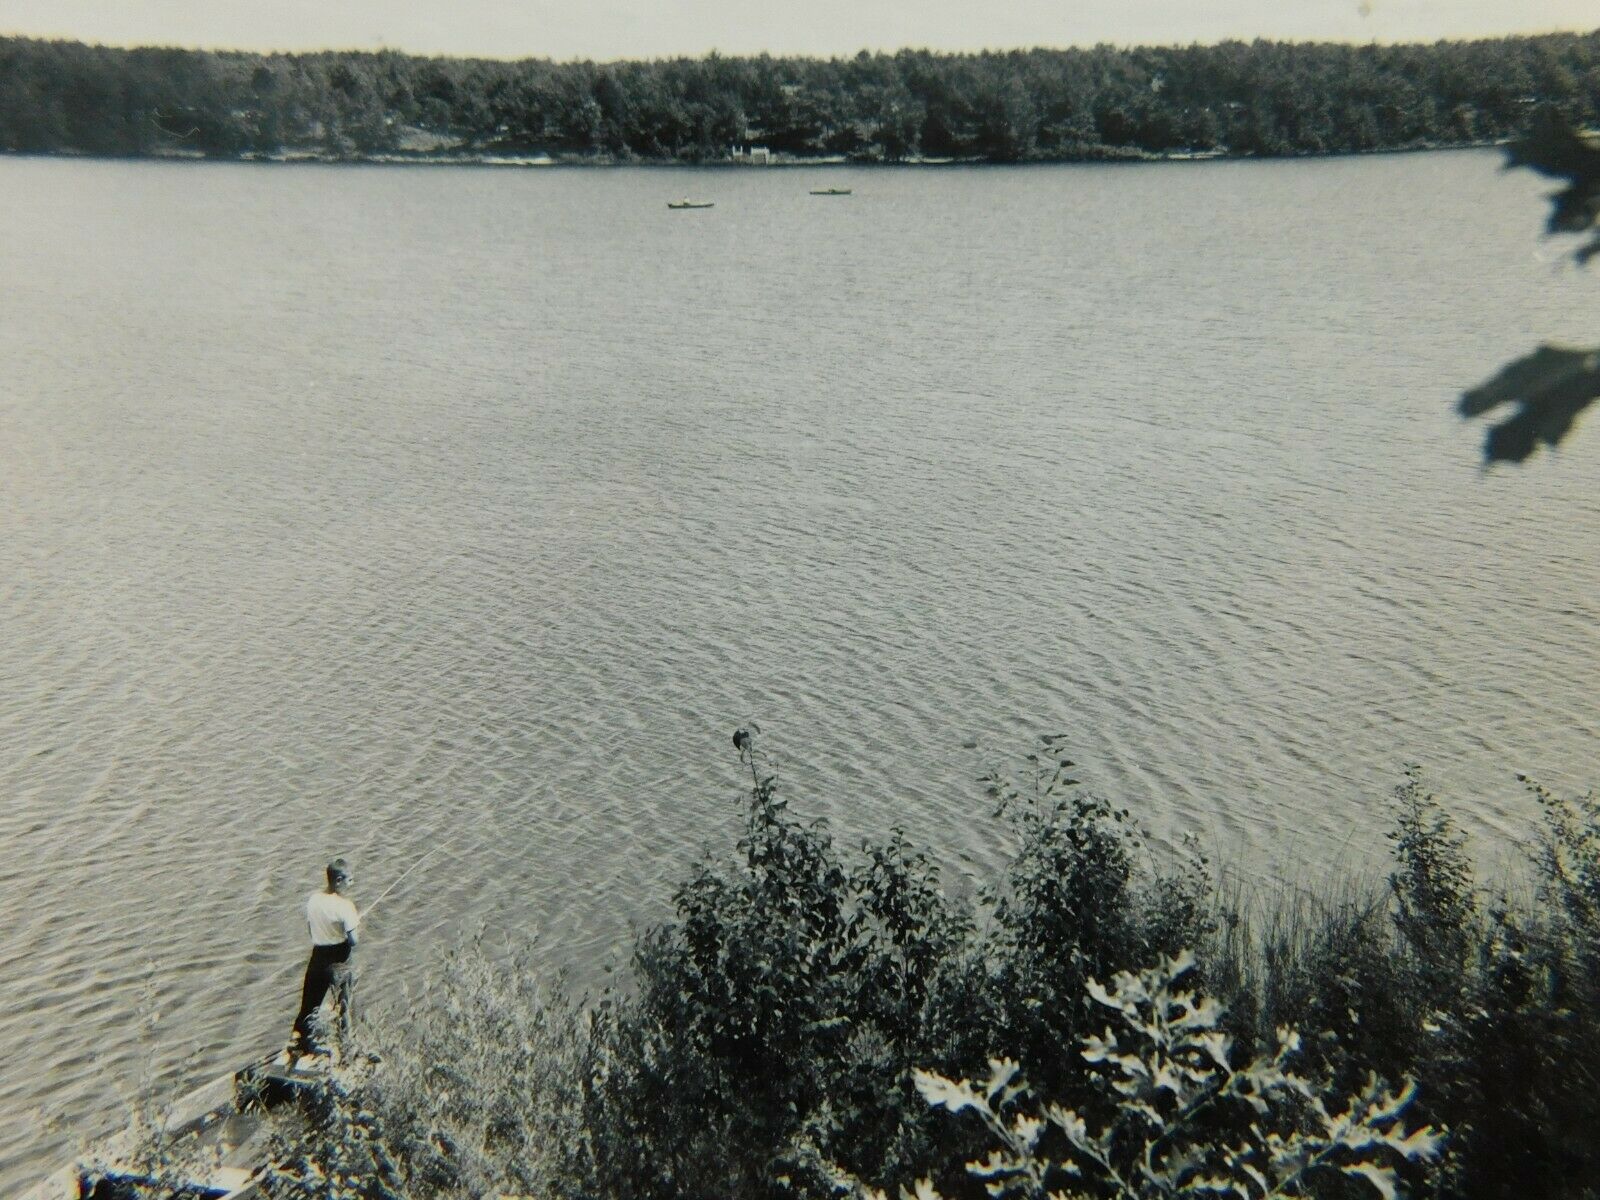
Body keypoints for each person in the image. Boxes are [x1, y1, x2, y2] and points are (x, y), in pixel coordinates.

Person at [288, 857, 359, 1062]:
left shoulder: (313, 900)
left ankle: (300, 1044)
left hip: (317, 958)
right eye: (349, 880)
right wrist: (354, 926)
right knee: (344, 1008)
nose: (351, 884)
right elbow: (354, 941)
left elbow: (311, 930)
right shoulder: (346, 906)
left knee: (309, 1006)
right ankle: (346, 1052)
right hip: (339, 960)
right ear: (338, 880)